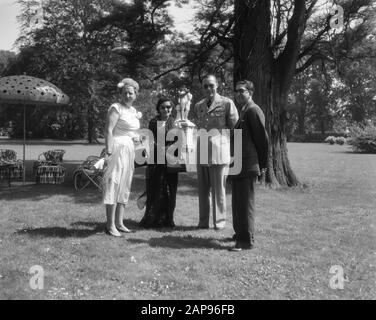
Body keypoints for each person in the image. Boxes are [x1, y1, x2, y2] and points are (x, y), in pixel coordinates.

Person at [191, 75, 239, 230]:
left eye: (211, 85)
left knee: (219, 189)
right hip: (202, 150)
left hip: (219, 151)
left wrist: (225, 145)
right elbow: (199, 127)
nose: (208, 89)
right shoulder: (198, 105)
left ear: (217, 85)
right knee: (203, 189)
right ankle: (203, 222)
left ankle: (219, 222)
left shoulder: (226, 103)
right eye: (205, 86)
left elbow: (235, 128)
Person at [229, 80, 269, 251]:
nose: (238, 94)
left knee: (245, 204)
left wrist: (263, 164)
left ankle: (245, 241)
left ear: (250, 93)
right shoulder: (244, 111)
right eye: (236, 91)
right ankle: (240, 234)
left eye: (242, 91)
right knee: (238, 202)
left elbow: (262, 140)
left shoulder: (253, 110)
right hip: (238, 165)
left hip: (248, 165)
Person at [102, 78, 142, 237]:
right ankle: (110, 225)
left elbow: (131, 132)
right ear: (121, 94)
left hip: (129, 150)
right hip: (117, 149)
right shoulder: (116, 108)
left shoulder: (133, 111)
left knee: (125, 185)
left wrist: (137, 139)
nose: (127, 95)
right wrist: (109, 152)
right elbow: (109, 130)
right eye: (125, 92)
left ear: (136, 95)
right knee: (114, 183)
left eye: (130, 93)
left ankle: (119, 222)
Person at [139, 97, 179, 228]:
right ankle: (154, 218)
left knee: (170, 190)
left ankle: (168, 219)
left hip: (170, 161)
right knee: (155, 189)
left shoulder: (175, 122)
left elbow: (178, 142)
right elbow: (150, 140)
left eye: (168, 107)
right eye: (163, 107)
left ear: (172, 108)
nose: (166, 109)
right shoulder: (153, 121)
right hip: (155, 161)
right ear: (158, 109)